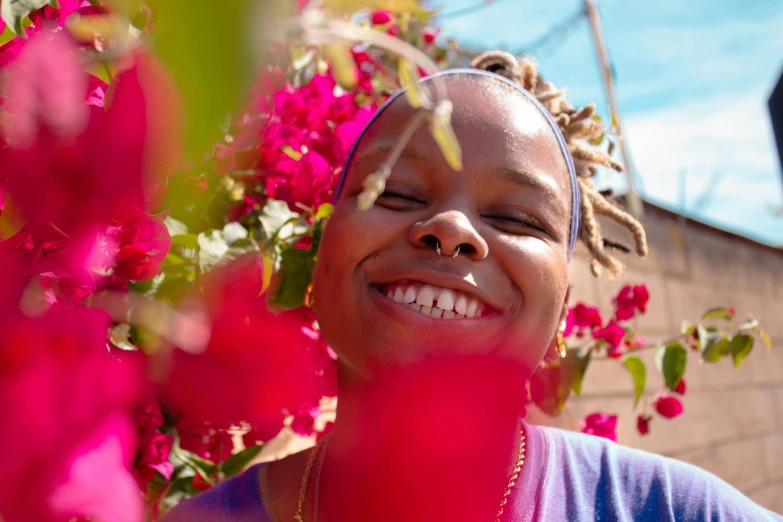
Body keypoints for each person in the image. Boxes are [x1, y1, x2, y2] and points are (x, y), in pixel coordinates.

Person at [161, 54, 781, 522]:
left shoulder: (676, 512)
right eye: (396, 193)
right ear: (320, 260)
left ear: (562, 312)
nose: (451, 229)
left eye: (516, 218)